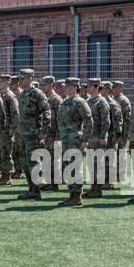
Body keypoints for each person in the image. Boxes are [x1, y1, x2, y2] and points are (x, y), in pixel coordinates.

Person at [15, 69, 51, 200]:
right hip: (23, 133)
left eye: (22, 78)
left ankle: (36, 190)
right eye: (19, 79)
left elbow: (47, 112)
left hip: (33, 134)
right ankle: (31, 188)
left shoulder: (37, 94)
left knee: (33, 163)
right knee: (24, 163)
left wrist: (43, 131)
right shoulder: (22, 94)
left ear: (30, 78)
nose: (20, 81)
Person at [56, 78, 91, 206]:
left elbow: (88, 121)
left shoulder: (80, 102)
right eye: (66, 86)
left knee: (75, 167)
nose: (66, 88)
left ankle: (77, 196)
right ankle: (72, 194)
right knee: (68, 167)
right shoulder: (64, 102)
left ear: (76, 87)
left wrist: (85, 140)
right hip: (65, 140)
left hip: (75, 139)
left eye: (69, 86)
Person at [83, 79, 111, 198]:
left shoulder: (101, 102)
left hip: (98, 137)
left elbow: (106, 121)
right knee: (91, 164)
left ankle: (97, 190)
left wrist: (103, 136)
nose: (88, 88)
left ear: (96, 87)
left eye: (90, 86)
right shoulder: (88, 101)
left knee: (98, 164)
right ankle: (93, 188)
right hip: (90, 137)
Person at [41, 75, 61, 192]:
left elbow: (60, 119)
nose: (43, 86)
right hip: (46, 134)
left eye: (45, 84)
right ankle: (48, 181)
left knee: (54, 160)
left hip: (54, 135)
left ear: (51, 85)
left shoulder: (56, 100)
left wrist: (58, 135)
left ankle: (54, 183)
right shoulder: (44, 98)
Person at [0, 74, 17, 184]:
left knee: (6, 153)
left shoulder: (10, 96)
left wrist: (12, 129)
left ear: (7, 82)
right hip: (1, 129)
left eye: (2, 81)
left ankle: (7, 176)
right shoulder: (2, 95)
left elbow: (15, 114)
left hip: (7, 130)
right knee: (1, 153)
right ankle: (3, 175)